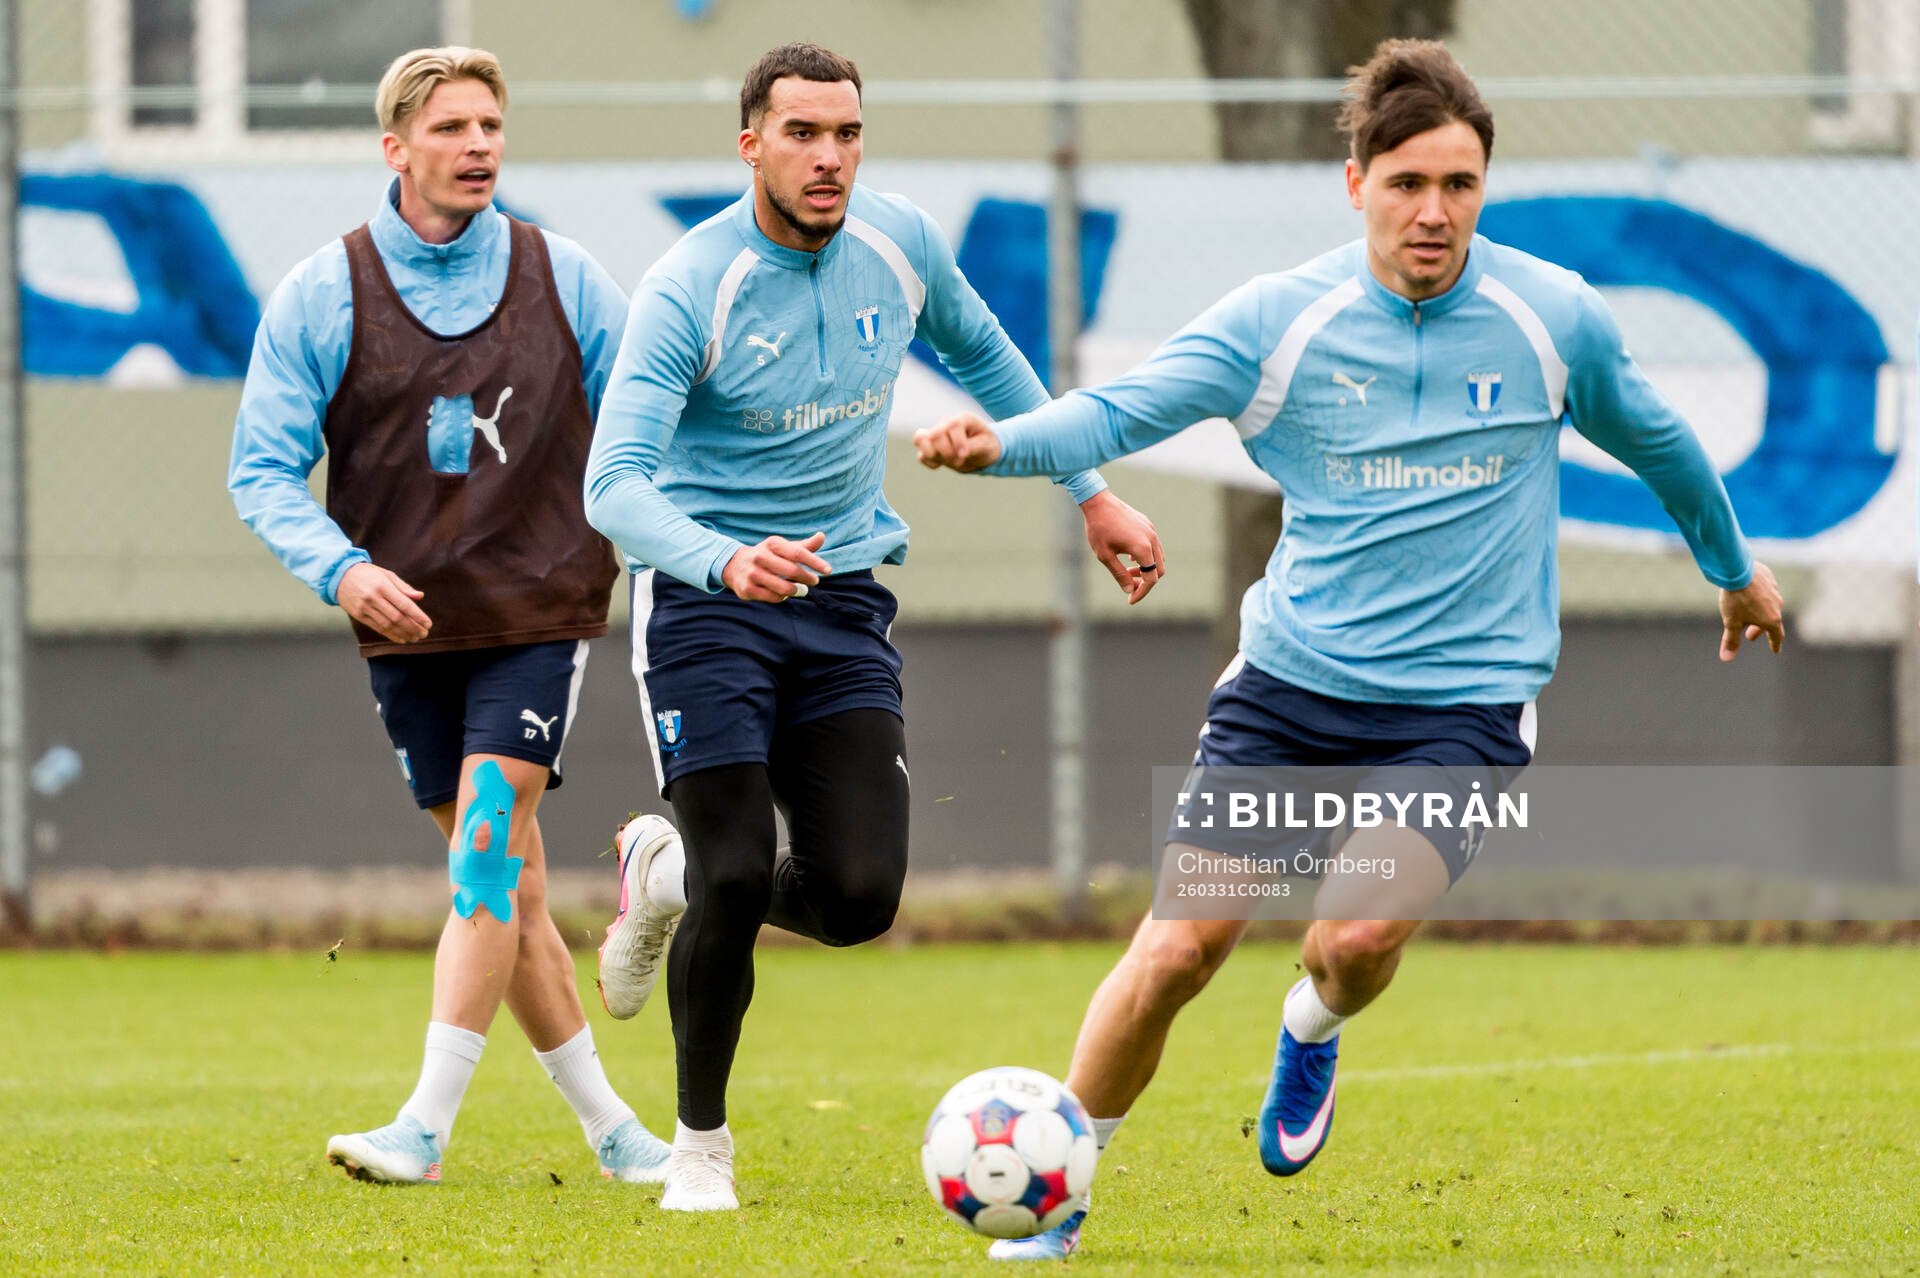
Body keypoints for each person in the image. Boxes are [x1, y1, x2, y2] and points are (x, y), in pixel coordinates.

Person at [913, 38, 1785, 1260]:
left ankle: (1312, 1028)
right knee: (1174, 951)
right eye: (1407, 184)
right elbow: (1121, 407)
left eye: (1460, 186)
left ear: (1485, 188)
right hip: (1288, 697)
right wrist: (1003, 445)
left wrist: (1732, 568)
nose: (1434, 212)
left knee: (1354, 938)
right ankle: (1055, 1203)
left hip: (1461, 712)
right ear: (1356, 183)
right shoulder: (1282, 321)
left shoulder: (1551, 319)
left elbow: (1661, 444)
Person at [585, 41, 1166, 1212]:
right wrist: (723, 558)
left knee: (858, 899)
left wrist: (1093, 492)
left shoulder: (899, 247)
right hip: (707, 605)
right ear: (750, 144)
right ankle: (700, 1149)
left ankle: (661, 874)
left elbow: (995, 364)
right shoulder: (690, 287)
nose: (829, 158)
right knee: (741, 869)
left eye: (847, 134)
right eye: (802, 134)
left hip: (843, 599)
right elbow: (614, 486)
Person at [227, 45, 670, 1186]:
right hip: (408, 632)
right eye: (451, 128)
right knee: (509, 886)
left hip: (539, 609)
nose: (478, 146)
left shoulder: (564, 275)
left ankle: (422, 1128)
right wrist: (342, 570)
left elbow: (657, 408)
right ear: (396, 149)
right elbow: (263, 473)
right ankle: (615, 1134)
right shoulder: (324, 292)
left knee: (481, 853)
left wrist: (684, 534)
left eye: (490, 126)